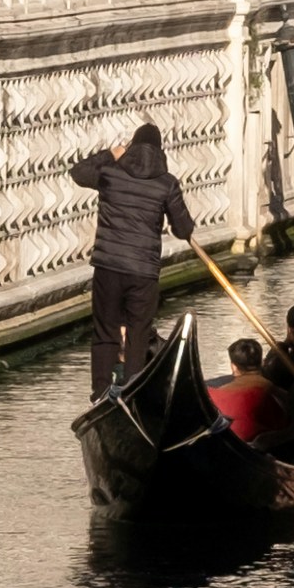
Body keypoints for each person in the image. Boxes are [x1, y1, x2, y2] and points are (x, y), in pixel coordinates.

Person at [69, 120, 197, 399]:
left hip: (108, 266)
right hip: (143, 271)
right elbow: (184, 229)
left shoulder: (110, 173)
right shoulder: (167, 184)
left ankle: (101, 393)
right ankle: (133, 392)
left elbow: (78, 172)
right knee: (139, 334)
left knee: (106, 331)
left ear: (132, 147)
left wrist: (109, 154)